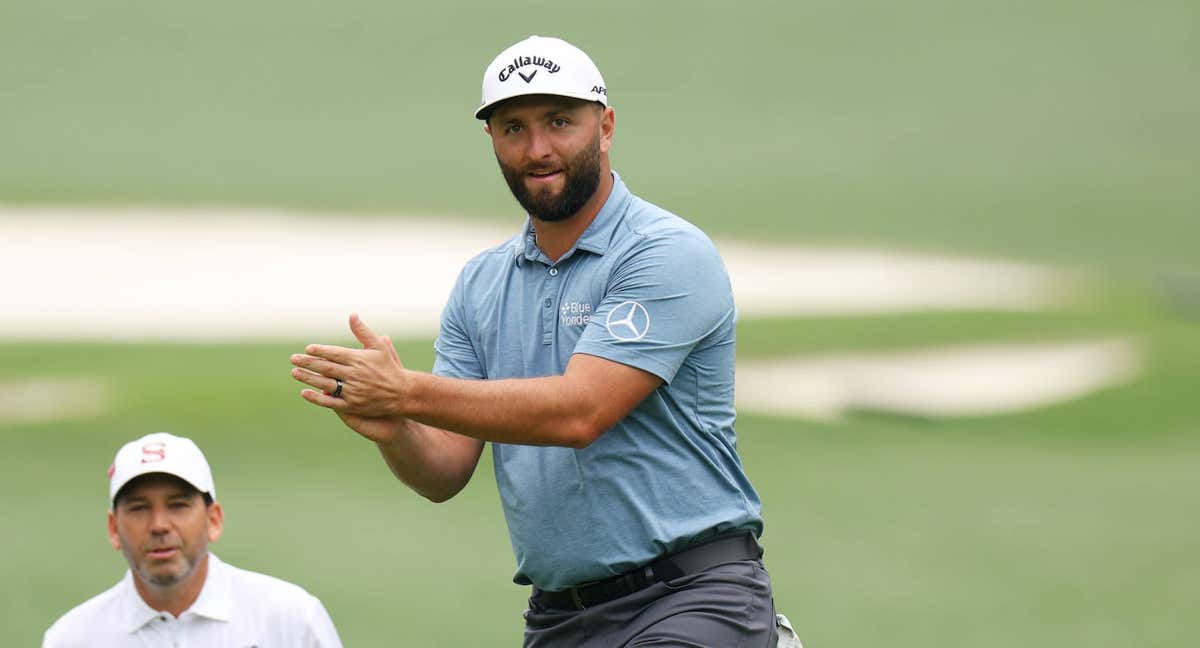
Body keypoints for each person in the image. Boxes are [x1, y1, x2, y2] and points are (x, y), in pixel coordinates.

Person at [290, 35, 794, 647]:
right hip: (560, 618)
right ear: (492, 140)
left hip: (692, 595)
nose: (538, 148)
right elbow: (444, 470)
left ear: (605, 127)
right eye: (514, 128)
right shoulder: (481, 283)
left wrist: (407, 392)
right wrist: (393, 424)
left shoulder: (665, 252)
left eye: (560, 122)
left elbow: (580, 411)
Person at [43, 432, 344, 648]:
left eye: (178, 505)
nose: (159, 525)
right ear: (113, 528)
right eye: (139, 508)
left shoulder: (292, 619)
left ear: (213, 520)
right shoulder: (72, 638)